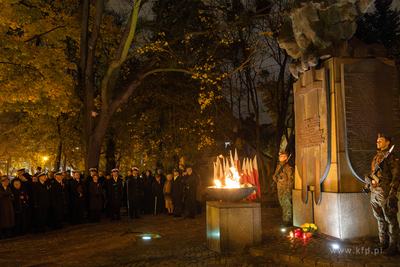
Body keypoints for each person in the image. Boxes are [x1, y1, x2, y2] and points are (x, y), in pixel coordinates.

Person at [368, 134, 400, 255]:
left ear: (387, 143)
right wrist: (368, 178)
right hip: (375, 192)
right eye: (377, 141)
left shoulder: (392, 158)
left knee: (390, 219)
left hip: (385, 193)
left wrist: (392, 193)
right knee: (380, 218)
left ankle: (394, 245)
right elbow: (374, 173)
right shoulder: (377, 157)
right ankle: (383, 242)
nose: (378, 143)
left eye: (380, 141)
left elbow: (396, 177)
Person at [272, 151, 294, 227]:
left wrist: (288, 189)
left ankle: (287, 220)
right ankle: (284, 219)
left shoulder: (287, 167)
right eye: (280, 156)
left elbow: (290, 179)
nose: (280, 157)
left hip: (285, 188)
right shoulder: (279, 166)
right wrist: (275, 177)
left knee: (286, 204)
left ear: (285, 158)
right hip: (280, 188)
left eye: (281, 156)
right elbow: (275, 175)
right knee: (282, 204)